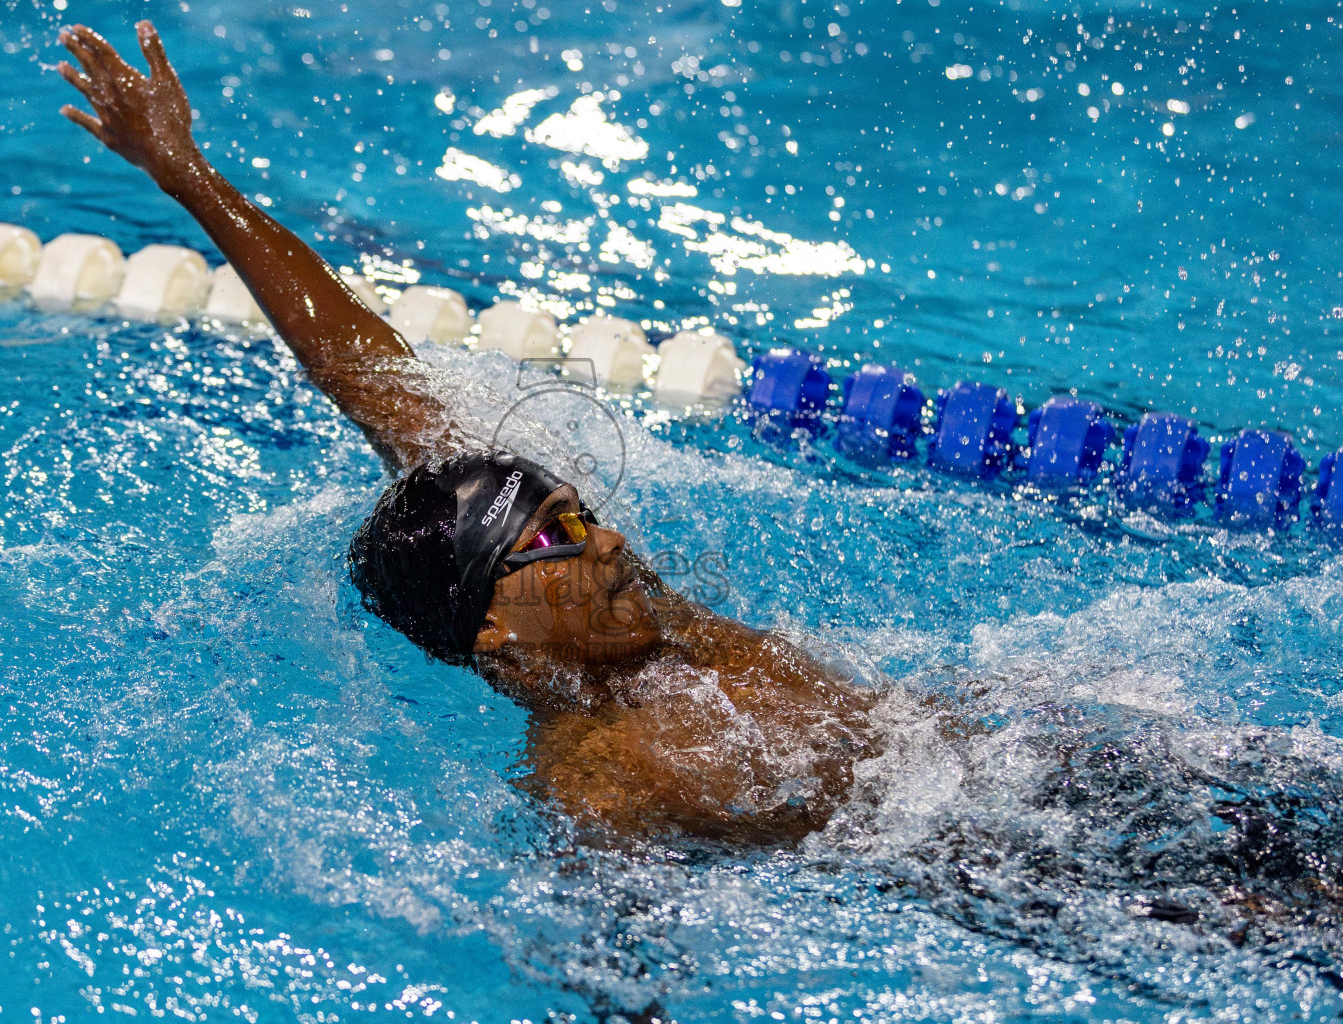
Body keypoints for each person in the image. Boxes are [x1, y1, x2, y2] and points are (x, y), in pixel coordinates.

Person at [57, 21, 879, 843]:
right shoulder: (600, 787)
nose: (612, 541)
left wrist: (191, 177)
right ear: (498, 636)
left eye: (581, 516)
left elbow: (370, 377)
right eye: (560, 537)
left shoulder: (647, 620)